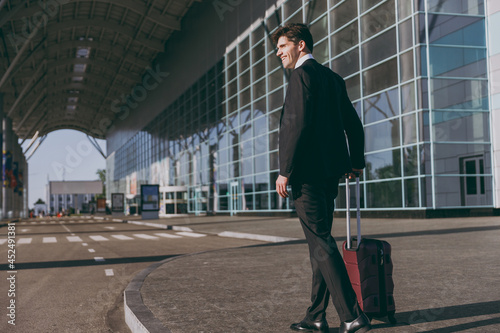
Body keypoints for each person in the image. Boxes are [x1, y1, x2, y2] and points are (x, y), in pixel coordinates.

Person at [273, 23, 371, 333]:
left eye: (282, 46)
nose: (278, 53)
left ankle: (352, 315)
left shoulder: (301, 76)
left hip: (306, 178)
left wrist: (284, 171)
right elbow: (353, 125)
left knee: (322, 243)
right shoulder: (333, 78)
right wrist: (356, 163)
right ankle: (315, 315)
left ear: (300, 46)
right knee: (320, 244)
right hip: (329, 177)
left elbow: (295, 127)